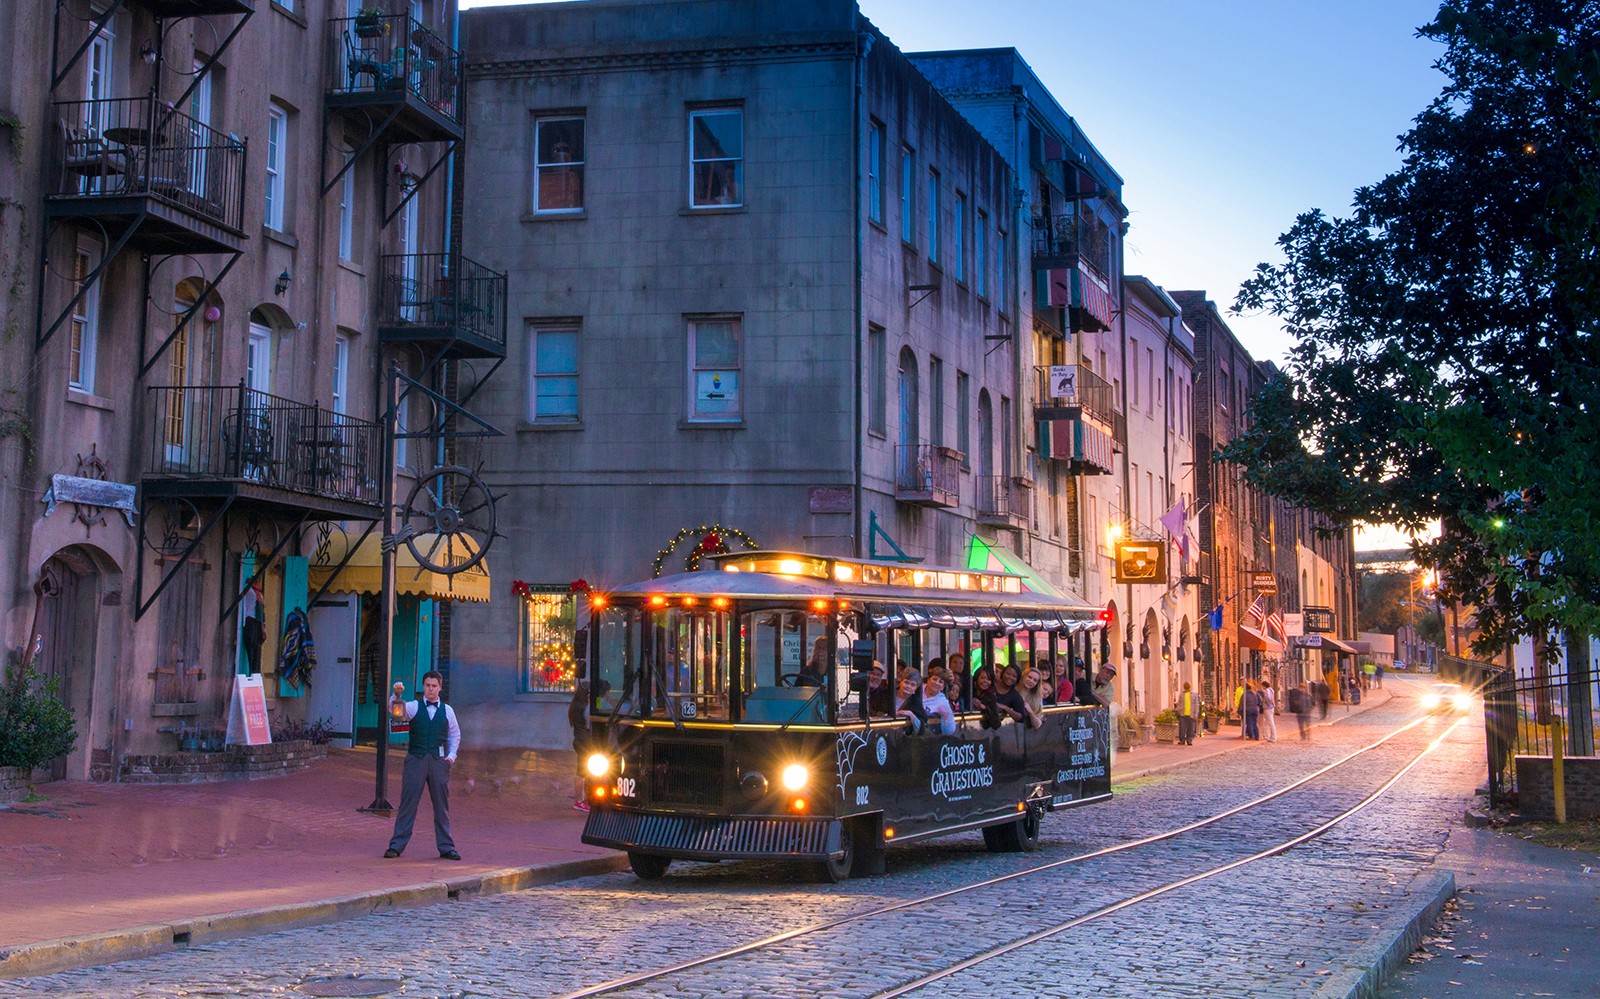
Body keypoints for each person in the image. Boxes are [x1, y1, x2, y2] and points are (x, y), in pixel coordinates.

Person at [386, 670, 461, 860]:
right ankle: (396, 845)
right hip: (416, 759)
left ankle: (446, 847)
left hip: (438, 761)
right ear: (423, 686)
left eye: (434, 686)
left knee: (441, 806)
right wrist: (396, 696)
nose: (430, 689)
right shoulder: (414, 706)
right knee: (408, 803)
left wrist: (451, 756)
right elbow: (396, 713)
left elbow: (454, 735)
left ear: (440, 688)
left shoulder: (448, 710)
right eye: (427, 685)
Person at [568, 679, 593, 812]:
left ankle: (581, 799)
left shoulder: (575, 705)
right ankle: (579, 801)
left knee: (583, 771)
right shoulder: (583, 707)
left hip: (579, 740)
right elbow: (588, 724)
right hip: (583, 742)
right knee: (582, 772)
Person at [920, 668, 958, 735]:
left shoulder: (943, 702)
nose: (936, 683)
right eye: (934, 679)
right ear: (928, 679)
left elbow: (949, 731)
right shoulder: (916, 689)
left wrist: (946, 715)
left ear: (943, 687)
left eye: (940, 682)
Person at [894, 667, 926, 732]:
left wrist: (911, 715)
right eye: (906, 682)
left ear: (916, 688)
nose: (908, 686)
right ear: (901, 682)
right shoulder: (888, 695)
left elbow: (921, 729)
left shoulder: (916, 702)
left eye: (913, 685)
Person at [1176, 681, 1200, 746]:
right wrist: (1177, 710)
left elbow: (1196, 705)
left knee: (1191, 729)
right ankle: (1182, 740)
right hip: (1183, 713)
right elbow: (1179, 704)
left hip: (1191, 714)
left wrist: (1196, 714)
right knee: (1182, 728)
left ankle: (1189, 740)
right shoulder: (1182, 694)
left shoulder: (1194, 694)